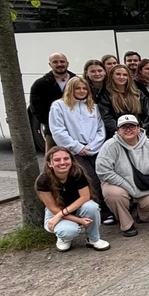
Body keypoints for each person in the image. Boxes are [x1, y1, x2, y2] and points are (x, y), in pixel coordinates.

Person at [48, 76, 111, 224]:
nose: (82, 91)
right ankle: (101, 210)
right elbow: (58, 131)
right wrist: (77, 147)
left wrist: (93, 146)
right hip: (75, 150)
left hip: (94, 149)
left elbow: (100, 129)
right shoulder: (59, 106)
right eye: (78, 88)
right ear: (70, 89)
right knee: (90, 180)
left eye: (84, 88)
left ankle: (106, 206)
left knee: (102, 177)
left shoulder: (93, 107)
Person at [96, 114, 149, 237]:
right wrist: (127, 186)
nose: (128, 130)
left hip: (144, 182)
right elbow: (103, 171)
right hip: (118, 183)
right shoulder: (109, 146)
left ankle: (142, 215)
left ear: (138, 128)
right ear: (118, 130)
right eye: (124, 127)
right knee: (113, 194)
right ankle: (126, 224)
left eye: (132, 126)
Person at [35, 146, 110, 252]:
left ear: (71, 160)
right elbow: (53, 209)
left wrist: (62, 214)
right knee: (69, 231)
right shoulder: (43, 181)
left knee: (91, 206)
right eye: (57, 160)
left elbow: (85, 197)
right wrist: (79, 220)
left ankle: (93, 238)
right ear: (49, 164)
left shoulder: (77, 173)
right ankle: (64, 238)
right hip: (56, 212)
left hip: (73, 209)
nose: (62, 162)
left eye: (66, 158)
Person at [29, 52, 76, 148]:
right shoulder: (40, 84)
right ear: (50, 64)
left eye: (62, 61)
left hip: (75, 129)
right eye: (55, 62)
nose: (59, 64)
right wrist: (54, 122)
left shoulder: (76, 81)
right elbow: (36, 109)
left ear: (67, 63)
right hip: (52, 132)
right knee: (53, 159)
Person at [98, 63, 149, 139]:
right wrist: (122, 131)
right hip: (117, 136)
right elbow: (106, 117)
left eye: (125, 75)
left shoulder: (138, 93)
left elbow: (146, 115)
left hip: (138, 135)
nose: (122, 77)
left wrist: (138, 130)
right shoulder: (106, 95)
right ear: (112, 76)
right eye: (118, 74)